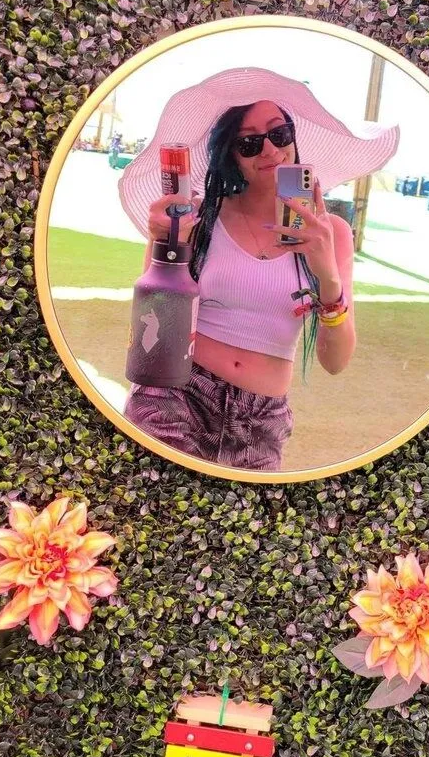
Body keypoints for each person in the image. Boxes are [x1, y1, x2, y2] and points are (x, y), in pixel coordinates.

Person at [117, 66, 400, 472]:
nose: (269, 150)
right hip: (177, 394)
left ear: (294, 138)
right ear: (231, 155)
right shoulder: (202, 217)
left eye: (279, 134)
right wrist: (163, 242)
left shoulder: (332, 234)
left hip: (260, 420)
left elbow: (336, 361)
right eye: (249, 143)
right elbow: (153, 328)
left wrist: (327, 275)